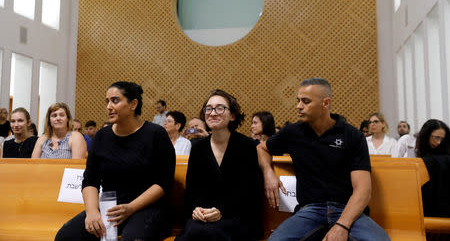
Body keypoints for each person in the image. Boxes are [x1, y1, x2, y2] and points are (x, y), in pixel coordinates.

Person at [257, 78, 389, 241]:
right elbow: (261, 148)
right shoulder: (293, 132)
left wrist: (342, 225)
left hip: (347, 209)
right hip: (309, 210)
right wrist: (268, 173)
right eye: (298, 101)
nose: (298, 106)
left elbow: (363, 190)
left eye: (305, 101)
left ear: (325, 103)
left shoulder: (352, 135)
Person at [55, 81, 175, 241]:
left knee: (132, 238)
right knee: (66, 236)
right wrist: (92, 212)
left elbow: (163, 182)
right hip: (111, 208)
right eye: (107, 101)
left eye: (115, 100)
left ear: (133, 104)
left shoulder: (156, 134)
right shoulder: (102, 137)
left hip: (148, 207)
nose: (109, 106)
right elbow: (90, 179)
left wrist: (130, 208)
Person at [176, 89, 262, 241]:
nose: (213, 113)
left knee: (209, 233)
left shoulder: (246, 146)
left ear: (233, 115)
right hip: (204, 217)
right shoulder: (197, 147)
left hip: (237, 216)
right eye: (208, 109)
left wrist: (221, 211)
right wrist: (196, 210)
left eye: (220, 108)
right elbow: (192, 190)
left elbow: (250, 192)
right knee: (193, 231)